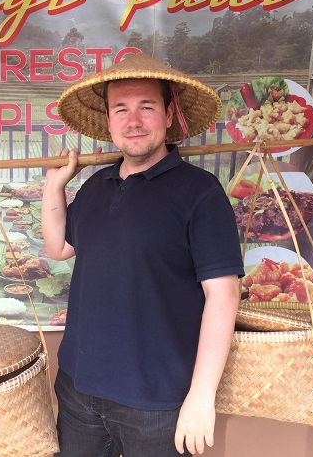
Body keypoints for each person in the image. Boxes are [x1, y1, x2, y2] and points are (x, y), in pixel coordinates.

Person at [42, 53, 244, 456]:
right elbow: (59, 247)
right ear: (109, 120)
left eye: (146, 107)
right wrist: (54, 188)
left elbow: (224, 295)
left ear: (168, 115)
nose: (133, 121)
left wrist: (202, 396)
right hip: (79, 386)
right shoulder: (97, 187)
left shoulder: (200, 193)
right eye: (121, 109)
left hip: (157, 401)